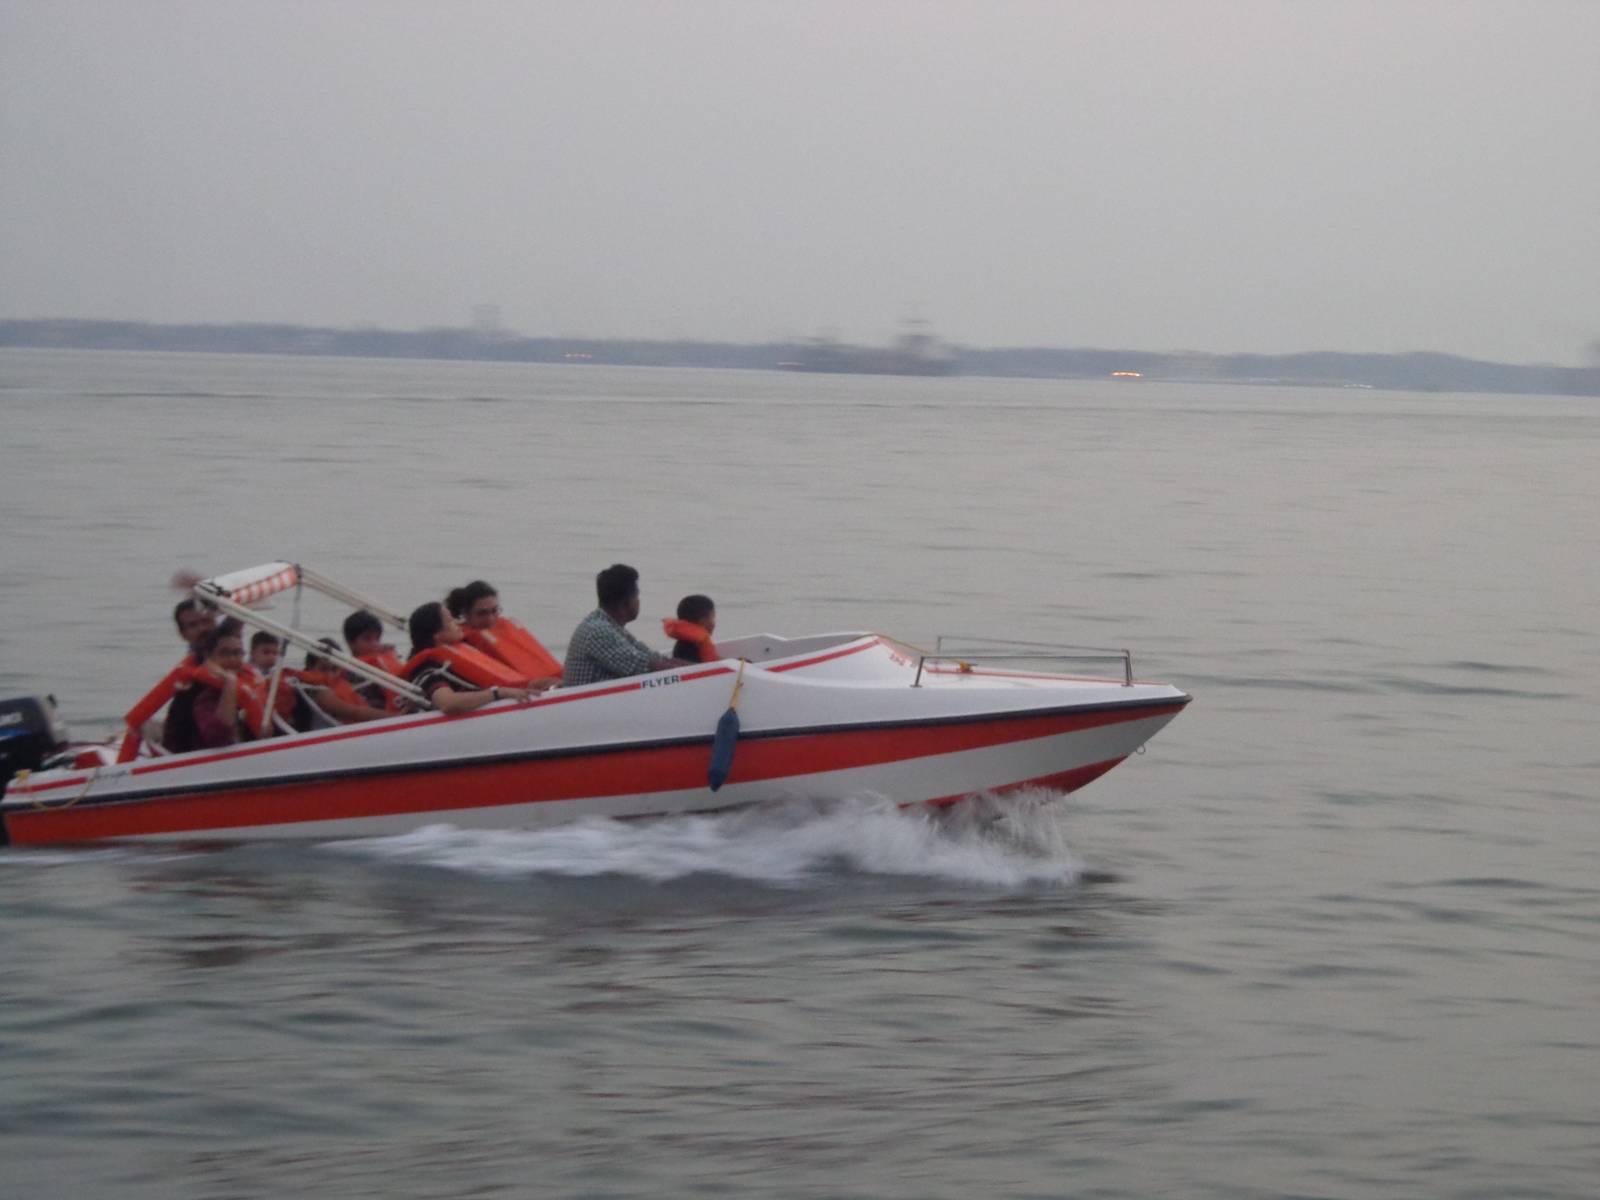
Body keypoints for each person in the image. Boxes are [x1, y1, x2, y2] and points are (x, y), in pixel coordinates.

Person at [404, 602, 540, 713]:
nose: (457, 625)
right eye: (451, 622)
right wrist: (498, 693)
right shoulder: (428, 669)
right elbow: (448, 703)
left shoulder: (454, 658)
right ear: (437, 635)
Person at [562, 564, 684, 687]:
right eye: (637, 596)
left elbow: (650, 656)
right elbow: (645, 665)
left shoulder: (610, 626)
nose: (638, 601)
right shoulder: (598, 631)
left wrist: (698, 667)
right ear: (625, 603)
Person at [447, 579, 563, 683]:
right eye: (482, 613)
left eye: (494, 611)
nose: (490, 619)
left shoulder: (507, 630)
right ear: (466, 614)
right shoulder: (463, 643)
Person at [162, 622, 251, 752]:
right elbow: (220, 738)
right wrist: (230, 683)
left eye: (238, 653)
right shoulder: (201, 694)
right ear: (208, 657)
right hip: (199, 763)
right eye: (224, 653)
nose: (233, 660)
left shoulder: (248, 684)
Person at [293, 638, 388, 725]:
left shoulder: (341, 684)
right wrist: (395, 717)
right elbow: (355, 712)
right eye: (324, 669)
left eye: (334, 669)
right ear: (310, 667)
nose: (330, 675)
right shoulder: (316, 691)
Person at [662, 594, 721, 663]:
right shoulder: (692, 647)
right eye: (713, 617)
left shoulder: (685, 642)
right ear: (703, 621)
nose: (714, 621)